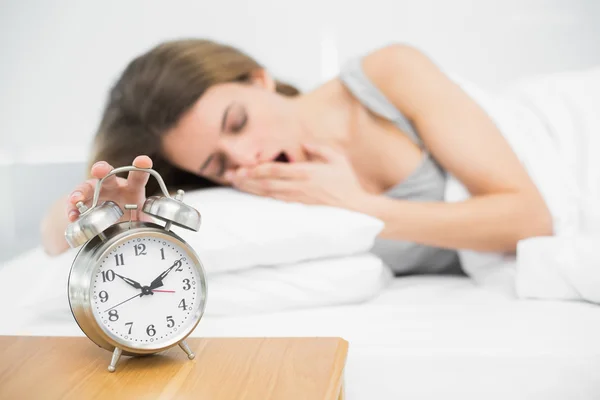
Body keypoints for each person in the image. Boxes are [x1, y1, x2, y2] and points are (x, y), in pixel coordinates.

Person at [40, 38, 555, 275]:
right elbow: (53, 237)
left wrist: (360, 205)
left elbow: (531, 216)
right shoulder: (256, 187)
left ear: (259, 78)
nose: (246, 155)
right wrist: (95, 198)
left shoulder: (387, 77)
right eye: (218, 164)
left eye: (237, 122)